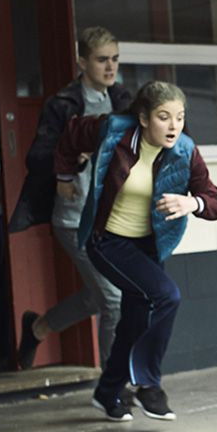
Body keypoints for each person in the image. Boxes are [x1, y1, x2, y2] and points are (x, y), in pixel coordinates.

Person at [55, 81, 217, 422]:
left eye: (180, 117)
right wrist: (65, 175)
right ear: (144, 119)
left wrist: (192, 203)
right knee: (166, 296)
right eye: (164, 117)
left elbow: (216, 202)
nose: (174, 126)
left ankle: (107, 393)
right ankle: (148, 385)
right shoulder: (113, 131)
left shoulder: (185, 151)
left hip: (148, 247)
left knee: (135, 320)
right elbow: (71, 133)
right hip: (107, 240)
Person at [11, 27, 131, 370]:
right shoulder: (62, 104)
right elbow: (37, 157)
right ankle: (114, 384)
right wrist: (71, 157)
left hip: (114, 218)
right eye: (102, 59)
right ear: (82, 62)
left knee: (97, 297)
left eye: (115, 59)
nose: (110, 67)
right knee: (114, 299)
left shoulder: (122, 100)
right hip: (74, 218)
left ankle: (38, 328)